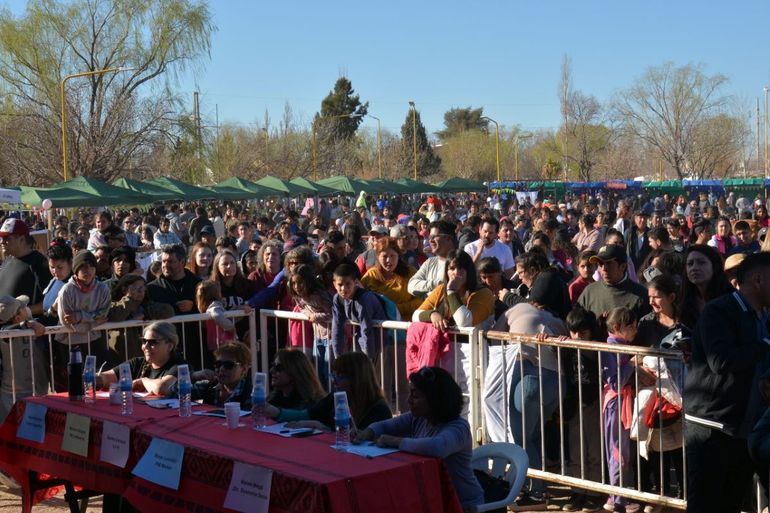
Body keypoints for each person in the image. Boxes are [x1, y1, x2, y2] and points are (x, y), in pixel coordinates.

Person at [685, 252, 770, 513]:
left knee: (730, 504)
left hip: (742, 428)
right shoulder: (719, 311)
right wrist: (764, 346)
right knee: (706, 504)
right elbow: (720, 361)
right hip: (710, 428)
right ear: (758, 280)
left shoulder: (762, 317)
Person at [354, 367, 484, 511]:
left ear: (435, 399)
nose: (409, 400)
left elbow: (437, 447)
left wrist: (395, 441)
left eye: (415, 396)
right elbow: (384, 426)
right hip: (432, 498)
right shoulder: (419, 418)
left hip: (463, 504)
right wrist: (368, 432)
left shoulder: (459, 428)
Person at [264, 351, 392, 430]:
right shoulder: (335, 397)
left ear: (357, 379)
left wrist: (322, 428)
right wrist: (275, 412)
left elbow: (363, 441)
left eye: (340, 376)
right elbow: (307, 414)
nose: (334, 381)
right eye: (333, 376)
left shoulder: (378, 409)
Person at [602, 307, 642, 513]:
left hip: (621, 403)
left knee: (621, 450)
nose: (635, 331)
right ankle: (618, 498)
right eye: (631, 327)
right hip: (616, 403)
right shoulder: (612, 348)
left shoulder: (621, 345)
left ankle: (618, 494)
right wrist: (633, 364)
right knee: (618, 452)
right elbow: (615, 382)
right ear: (618, 327)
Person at [97, 321, 186, 395]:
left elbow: (161, 388)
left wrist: (143, 381)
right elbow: (106, 378)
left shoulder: (181, 367)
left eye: (152, 342)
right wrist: (90, 378)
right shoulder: (137, 363)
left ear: (169, 346)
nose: (145, 346)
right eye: (144, 341)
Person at [56, 250, 111, 364]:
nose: (87, 270)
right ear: (76, 270)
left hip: (94, 339)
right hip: (69, 341)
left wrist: (79, 317)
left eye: (91, 266)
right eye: (83, 267)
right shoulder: (67, 290)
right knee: (74, 378)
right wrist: (93, 324)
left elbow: (103, 314)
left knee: (98, 376)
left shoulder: (103, 289)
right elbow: (66, 321)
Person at [107, 274, 174, 366]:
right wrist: (129, 300)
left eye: (142, 288)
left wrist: (145, 314)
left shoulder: (146, 305)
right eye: (134, 288)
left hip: (142, 355)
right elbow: (114, 315)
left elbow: (169, 311)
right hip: (120, 357)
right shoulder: (114, 304)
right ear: (124, 289)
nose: (140, 291)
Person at [0, 295, 47, 422]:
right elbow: (6, 331)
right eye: (23, 307)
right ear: (18, 317)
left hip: (35, 391)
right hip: (10, 394)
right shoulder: (5, 333)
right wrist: (25, 323)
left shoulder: (31, 325)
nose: (26, 308)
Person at [577, 244, 650, 326]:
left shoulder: (641, 294)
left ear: (623, 266)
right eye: (600, 264)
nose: (604, 268)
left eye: (609, 263)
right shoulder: (589, 292)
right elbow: (577, 323)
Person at [169, 341, 253, 409]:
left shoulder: (250, 393)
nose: (221, 369)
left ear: (244, 368)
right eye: (218, 364)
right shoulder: (209, 385)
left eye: (228, 365)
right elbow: (173, 394)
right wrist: (193, 376)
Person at [286, 264, 333, 385]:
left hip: (331, 336)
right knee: (317, 370)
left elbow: (333, 313)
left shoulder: (319, 295)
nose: (297, 287)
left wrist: (315, 316)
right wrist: (308, 314)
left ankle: (331, 399)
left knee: (328, 372)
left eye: (300, 283)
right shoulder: (298, 297)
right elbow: (303, 309)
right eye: (294, 283)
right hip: (318, 337)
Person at [330, 263, 386, 360]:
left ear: (355, 282)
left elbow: (366, 329)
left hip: (379, 343)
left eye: (348, 284)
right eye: (340, 285)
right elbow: (337, 327)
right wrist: (337, 357)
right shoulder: (337, 299)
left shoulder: (364, 300)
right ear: (334, 284)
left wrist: (368, 360)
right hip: (361, 341)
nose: (343, 288)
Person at [0, 218, 52, 316]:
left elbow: (51, 300)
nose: (2, 242)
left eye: (7, 238)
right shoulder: (7, 260)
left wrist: (25, 312)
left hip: (24, 329)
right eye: (2, 238)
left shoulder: (39, 263)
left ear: (22, 239)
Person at [361, 238, 421, 320]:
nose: (389, 260)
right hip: (379, 328)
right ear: (378, 257)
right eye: (384, 256)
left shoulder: (410, 272)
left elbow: (421, 300)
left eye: (392, 256)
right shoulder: (371, 275)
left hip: (405, 325)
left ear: (398, 256)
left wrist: (395, 309)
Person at [679, 245, 733, 330]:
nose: (694, 268)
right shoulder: (686, 300)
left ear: (714, 266)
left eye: (701, 263)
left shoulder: (730, 299)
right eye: (690, 264)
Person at [407, 219, 456, 298]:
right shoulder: (430, 262)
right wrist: (436, 284)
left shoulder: (461, 261)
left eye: (434, 237)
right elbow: (411, 285)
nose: (430, 240)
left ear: (448, 238)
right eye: (429, 237)